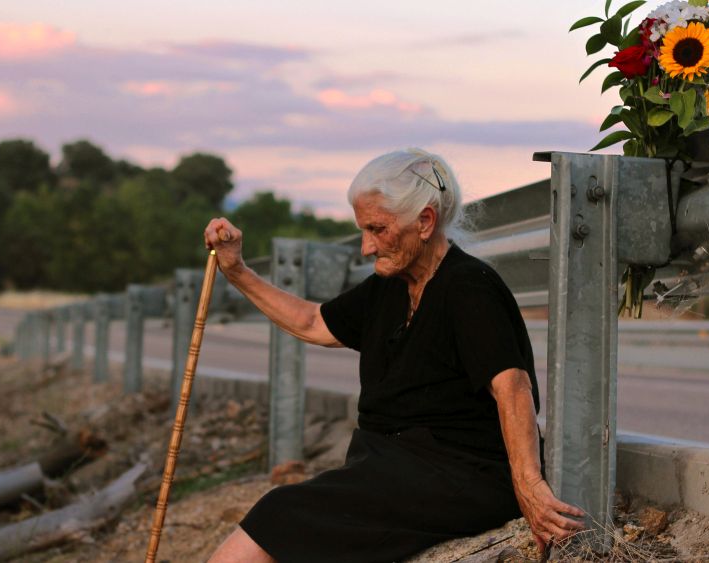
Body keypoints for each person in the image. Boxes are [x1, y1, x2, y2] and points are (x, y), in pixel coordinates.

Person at [203, 148, 584, 562]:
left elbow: (512, 387)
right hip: (392, 468)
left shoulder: (469, 287)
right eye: (362, 230)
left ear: (424, 221)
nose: (366, 247)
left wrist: (529, 487)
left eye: (377, 229)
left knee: (279, 512)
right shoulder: (389, 285)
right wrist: (237, 271)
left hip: (457, 474)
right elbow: (313, 322)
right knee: (301, 516)